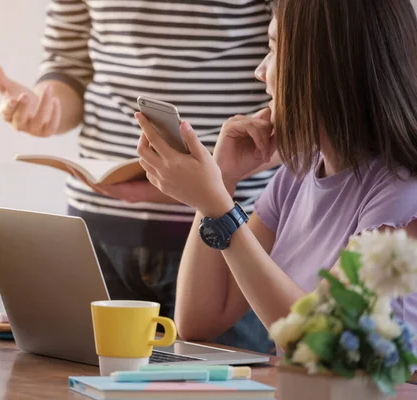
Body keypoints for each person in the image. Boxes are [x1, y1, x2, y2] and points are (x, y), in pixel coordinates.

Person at [0, 0, 280, 353]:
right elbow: (68, 65)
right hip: (96, 229)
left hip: (229, 233)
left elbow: (304, 61)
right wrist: (43, 110)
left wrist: (203, 184)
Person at [135, 0, 417, 344]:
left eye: (272, 50)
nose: (261, 71)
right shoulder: (295, 178)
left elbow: (321, 339)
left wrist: (218, 208)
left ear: (323, 67)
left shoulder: (401, 197)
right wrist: (222, 177)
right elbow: (198, 321)